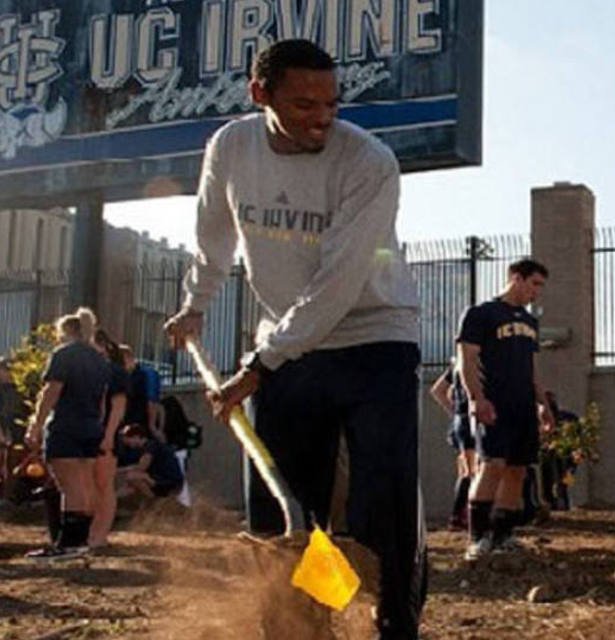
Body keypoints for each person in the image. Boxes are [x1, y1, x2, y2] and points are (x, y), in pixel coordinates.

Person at [163, 40, 424, 639]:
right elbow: (213, 239)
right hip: (286, 340)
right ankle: (299, 624)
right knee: (284, 499)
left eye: (331, 103)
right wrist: (193, 307)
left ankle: (394, 621)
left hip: (373, 337)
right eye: (304, 104)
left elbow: (339, 280)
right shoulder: (232, 145)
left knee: (380, 490)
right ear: (261, 94)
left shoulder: (369, 162)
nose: (322, 118)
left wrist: (262, 363)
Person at [456, 259, 555, 560]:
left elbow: (532, 367)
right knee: (493, 464)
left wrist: (543, 404)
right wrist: (476, 398)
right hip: (494, 403)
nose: (537, 292)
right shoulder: (481, 314)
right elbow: (467, 360)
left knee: (517, 469)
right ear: (516, 278)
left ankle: (503, 535)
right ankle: (477, 538)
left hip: (523, 406)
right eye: (534, 283)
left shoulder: (530, 322)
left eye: (541, 286)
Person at [23, 313, 111, 560]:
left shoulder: (64, 355)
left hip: (67, 425)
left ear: (66, 331)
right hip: (91, 426)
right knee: (85, 483)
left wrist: (36, 425)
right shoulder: (100, 360)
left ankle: (67, 543)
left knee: (69, 484)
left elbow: (52, 391)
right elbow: (102, 402)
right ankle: (80, 540)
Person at [89, 328, 130, 548]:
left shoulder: (115, 372)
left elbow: (118, 407)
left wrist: (109, 435)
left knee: (103, 485)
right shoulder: (86, 371)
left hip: (105, 435)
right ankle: (92, 533)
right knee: (90, 486)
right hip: (86, 434)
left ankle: (100, 535)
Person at [429, 357, 475, 530]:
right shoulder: (471, 361)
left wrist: (454, 412)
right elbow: (438, 390)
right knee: (471, 471)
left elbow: (438, 390)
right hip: (468, 420)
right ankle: (459, 516)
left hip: (460, 421)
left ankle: (460, 515)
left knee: (466, 470)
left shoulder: (456, 364)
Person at [116, 423, 185, 499]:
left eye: (127, 439)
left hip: (169, 482)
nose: (126, 443)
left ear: (136, 436)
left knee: (132, 476)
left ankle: (154, 501)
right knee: (132, 483)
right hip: (161, 479)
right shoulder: (146, 448)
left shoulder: (150, 447)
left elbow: (141, 467)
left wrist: (118, 471)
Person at [120, 345, 163, 442]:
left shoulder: (146, 374)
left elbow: (152, 401)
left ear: (128, 358)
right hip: (131, 423)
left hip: (141, 425)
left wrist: (152, 427)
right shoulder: (127, 376)